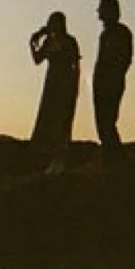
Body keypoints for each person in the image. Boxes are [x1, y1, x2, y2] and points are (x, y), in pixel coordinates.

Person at [29, 11, 80, 172]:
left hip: (65, 84)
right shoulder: (49, 42)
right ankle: (49, 158)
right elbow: (37, 59)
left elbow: (75, 65)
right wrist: (34, 43)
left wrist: (74, 86)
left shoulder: (70, 41)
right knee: (48, 119)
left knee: (62, 120)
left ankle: (61, 158)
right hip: (51, 84)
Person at [93, 0, 133, 160]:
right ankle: (111, 156)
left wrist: (113, 78)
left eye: (101, 8)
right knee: (103, 123)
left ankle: (116, 158)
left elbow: (125, 59)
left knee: (107, 122)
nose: (98, 11)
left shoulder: (121, 32)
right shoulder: (105, 34)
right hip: (102, 83)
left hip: (111, 84)